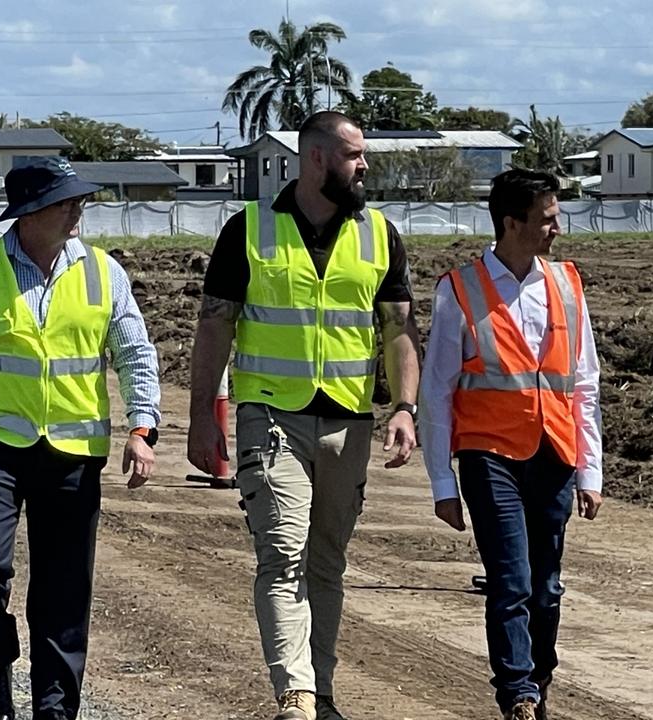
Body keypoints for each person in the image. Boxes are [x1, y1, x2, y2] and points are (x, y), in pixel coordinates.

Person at [187, 110, 420, 720]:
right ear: (315, 158)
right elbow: (215, 325)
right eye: (353, 155)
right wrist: (201, 417)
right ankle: (295, 696)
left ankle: (322, 689)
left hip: (350, 421)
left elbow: (397, 328)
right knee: (282, 553)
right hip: (272, 417)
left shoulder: (379, 234)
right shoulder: (249, 230)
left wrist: (404, 406)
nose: (363, 165)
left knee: (326, 561)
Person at [0, 157, 161, 720]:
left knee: (63, 594)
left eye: (79, 200)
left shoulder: (105, 272)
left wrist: (142, 427)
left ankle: (55, 711)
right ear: (28, 213)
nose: (78, 209)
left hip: (73, 455)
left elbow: (135, 353)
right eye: (65, 201)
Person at [420, 168, 603, 720]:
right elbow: (437, 391)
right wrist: (441, 483)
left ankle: (538, 682)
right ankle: (517, 693)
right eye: (548, 219)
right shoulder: (460, 290)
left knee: (546, 588)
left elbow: (585, 384)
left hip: (555, 453)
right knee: (511, 581)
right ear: (511, 222)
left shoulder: (568, 285)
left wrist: (591, 471)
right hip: (488, 456)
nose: (558, 229)